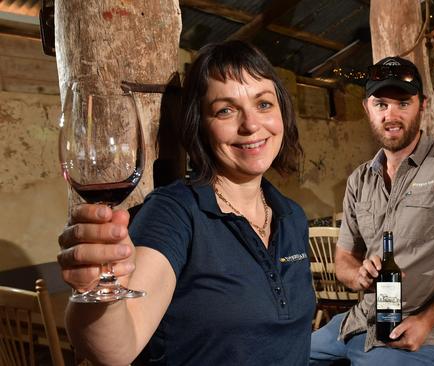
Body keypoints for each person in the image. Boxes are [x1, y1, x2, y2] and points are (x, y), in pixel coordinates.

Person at [56, 41, 315, 365]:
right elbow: (117, 349)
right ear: (200, 126)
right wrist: (93, 292)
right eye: (226, 110)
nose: (251, 125)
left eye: (263, 104)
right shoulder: (174, 212)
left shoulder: (292, 216)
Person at [310, 56, 434, 365]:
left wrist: (426, 321)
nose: (392, 115)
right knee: (286, 354)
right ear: (367, 108)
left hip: (429, 334)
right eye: (381, 104)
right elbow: (344, 260)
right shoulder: (360, 179)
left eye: (403, 103)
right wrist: (359, 276)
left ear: (422, 105)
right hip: (363, 322)